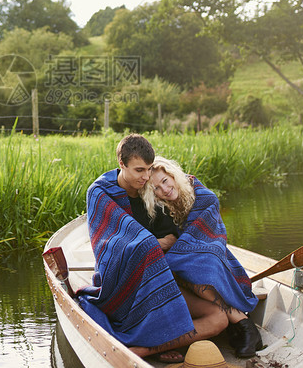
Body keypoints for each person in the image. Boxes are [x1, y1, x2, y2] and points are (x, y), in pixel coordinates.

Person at [77, 134, 227, 363]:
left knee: (219, 318)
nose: (146, 176)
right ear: (121, 164)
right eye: (139, 170)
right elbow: (112, 246)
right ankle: (158, 338)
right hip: (124, 283)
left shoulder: (151, 188)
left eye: (148, 169)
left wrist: (152, 247)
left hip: (163, 277)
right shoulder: (100, 192)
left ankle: (147, 349)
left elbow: (172, 236)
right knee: (146, 248)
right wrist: (152, 246)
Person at [141, 155, 263, 358]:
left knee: (200, 264)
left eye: (165, 181)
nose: (164, 189)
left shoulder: (203, 196)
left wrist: (176, 245)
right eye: (156, 189)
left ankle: (242, 326)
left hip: (212, 251)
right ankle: (242, 323)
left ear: (172, 175)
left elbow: (202, 235)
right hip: (190, 258)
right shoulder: (161, 209)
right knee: (177, 265)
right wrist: (170, 244)